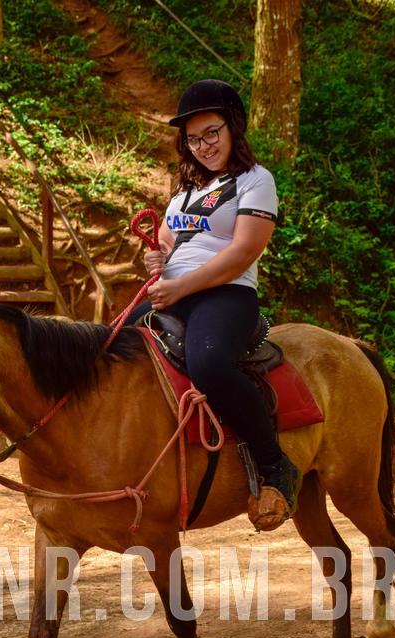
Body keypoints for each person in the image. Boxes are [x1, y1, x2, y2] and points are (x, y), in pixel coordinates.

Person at [129, 78, 302, 531]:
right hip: (172, 292)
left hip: (227, 295)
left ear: (233, 129)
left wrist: (181, 288)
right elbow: (166, 241)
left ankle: (275, 466)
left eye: (212, 133)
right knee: (110, 350)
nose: (202, 145)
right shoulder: (183, 190)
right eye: (193, 137)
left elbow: (243, 252)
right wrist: (156, 256)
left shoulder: (255, 180)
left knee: (208, 365)